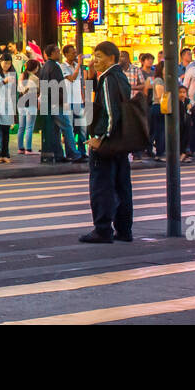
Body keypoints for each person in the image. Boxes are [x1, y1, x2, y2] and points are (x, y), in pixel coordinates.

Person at [80, 41, 133, 244]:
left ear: (112, 58)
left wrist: (100, 139)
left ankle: (102, 229)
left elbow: (112, 113)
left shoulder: (109, 79)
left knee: (102, 186)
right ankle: (124, 229)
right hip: (120, 143)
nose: (95, 60)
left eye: (99, 56)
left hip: (108, 144)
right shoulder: (120, 77)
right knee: (122, 186)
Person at [17, 59, 40, 155]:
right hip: (31, 103)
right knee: (29, 127)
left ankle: (20, 148)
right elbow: (38, 92)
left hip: (21, 102)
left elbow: (20, 90)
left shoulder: (21, 75)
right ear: (35, 68)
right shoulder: (35, 78)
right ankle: (28, 149)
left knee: (21, 127)